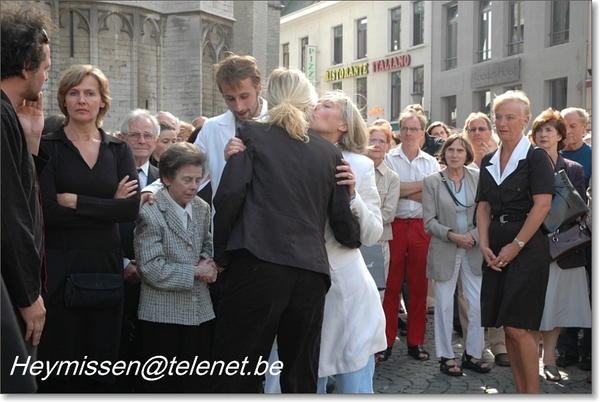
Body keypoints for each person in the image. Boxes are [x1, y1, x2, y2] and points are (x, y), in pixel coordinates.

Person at [209, 68, 361, 393]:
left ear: (269, 98)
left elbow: (230, 195)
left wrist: (219, 253)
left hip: (256, 265)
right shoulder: (329, 152)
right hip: (310, 275)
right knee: (300, 375)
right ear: (309, 103)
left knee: (237, 370)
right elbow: (347, 231)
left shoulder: (251, 133)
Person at [36, 64, 140, 392]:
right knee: (59, 361)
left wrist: (75, 201)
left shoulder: (119, 149)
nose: (82, 100)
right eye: (74, 92)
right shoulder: (48, 147)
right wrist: (107, 204)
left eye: (90, 93)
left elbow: (129, 209)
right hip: (61, 265)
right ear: (63, 100)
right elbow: (48, 211)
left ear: (102, 101)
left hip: (106, 265)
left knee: (102, 363)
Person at [476, 90, 554, 394]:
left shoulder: (536, 157)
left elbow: (543, 206)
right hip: (495, 246)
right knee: (506, 326)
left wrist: (516, 245)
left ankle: (531, 394)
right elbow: (483, 206)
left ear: (525, 120)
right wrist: (484, 245)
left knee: (519, 326)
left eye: (510, 117)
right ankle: (521, 392)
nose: (502, 122)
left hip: (528, 247)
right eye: (499, 117)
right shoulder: (488, 160)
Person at [310, 91, 386, 393]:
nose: (317, 106)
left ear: (343, 124)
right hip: (304, 284)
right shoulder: (294, 154)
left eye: (327, 105)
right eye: (317, 102)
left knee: (354, 380)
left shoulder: (359, 164)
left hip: (347, 288)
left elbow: (372, 234)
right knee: (304, 377)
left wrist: (353, 196)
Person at [1, 2, 57, 392]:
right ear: (26, 67)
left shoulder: (9, 115)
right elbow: (9, 214)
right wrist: (28, 295)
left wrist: (32, 141)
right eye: (46, 67)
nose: (47, 77)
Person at [134, 142, 217, 393]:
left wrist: (208, 262)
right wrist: (194, 271)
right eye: (187, 180)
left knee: (196, 386)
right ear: (167, 178)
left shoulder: (202, 208)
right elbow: (150, 267)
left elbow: (207, 243)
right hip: (161, 317)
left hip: (200, 314)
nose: (194, 186)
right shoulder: (151, 210)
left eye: (197, 179)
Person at [527, 108, 591, 382]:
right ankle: (531, 356)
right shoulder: (525, 166)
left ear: (560, 136)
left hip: (562, 247)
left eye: (549, 130)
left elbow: (574, 209)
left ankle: (549, 357)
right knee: (534, 304)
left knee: (558, 304)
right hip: (530, 244)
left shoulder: (573, 169)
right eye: (540, 130)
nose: (543, 134)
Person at [422, 134, 490, 376]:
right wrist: (453, 235)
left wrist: (472, 234)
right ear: (444, 153)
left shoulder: (478, 177)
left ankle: (473, 354)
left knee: (476, 305)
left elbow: (486, 212)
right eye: (450, 150)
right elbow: (428, 222)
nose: (454, 155)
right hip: (445, 248)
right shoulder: (431, 181)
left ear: (467, 154)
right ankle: (446, 356)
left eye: (460, 151)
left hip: (472, 247)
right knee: (442, 305)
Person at [381, 109, 440, 362]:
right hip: (393, 225)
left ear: (422, 133)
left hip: (420, 226)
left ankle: (416, 341)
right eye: (404, 128)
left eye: (413, 129)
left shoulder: (431, 162)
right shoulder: (388, 159)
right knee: (390, 285)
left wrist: (401, 190)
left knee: (418, 287)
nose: (408, 133)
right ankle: (385, 341)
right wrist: (422, 186)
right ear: (399, 131)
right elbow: (388, 194)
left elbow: (435, 197)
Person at [115, 108, 161, 392]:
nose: (141, 140)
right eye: (135, 134)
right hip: (115, 274)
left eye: (148, 135)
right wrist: (123, 263)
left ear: (156, 141)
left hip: (154, 280)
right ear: (121, 138)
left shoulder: (165, 179)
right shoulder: (107, 174)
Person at [463, 112, 510, 367]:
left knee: (499, 286)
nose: (478, 133)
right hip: (466, 236)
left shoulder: (500, 161)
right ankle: (472, 345)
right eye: (472, 129)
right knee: (468, 295)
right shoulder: (459, 162)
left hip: (499, 232)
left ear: (491, 132)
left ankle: (499, 343)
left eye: (482, 128)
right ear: (465, 134)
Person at [556, 107, 592, 371]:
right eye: (563, 126)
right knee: (564, 293)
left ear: (584, 127)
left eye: (573, 125)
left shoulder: (592, 156)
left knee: (589, 293)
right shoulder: (549, 156)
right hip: (557, 235)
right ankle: (566, 350)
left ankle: (590, 351)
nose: (568, 131)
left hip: (586, 234)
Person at [366, 125, 400, 285]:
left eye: (382, 141)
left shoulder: (392, 178)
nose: (377, 145)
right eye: (373, 140)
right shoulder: (353, 169)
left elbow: (388, 213)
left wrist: (360, 220)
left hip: (379, 240)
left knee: (377, 290)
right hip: (350, 240)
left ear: (388, 147)